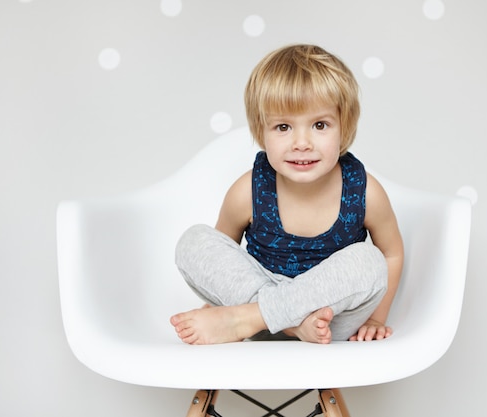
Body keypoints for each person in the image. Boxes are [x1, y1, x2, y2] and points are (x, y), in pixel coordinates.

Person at [170, 44, 404, 345]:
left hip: (331, 319)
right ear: (260, 130)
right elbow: (222, 252)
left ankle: (246, 319)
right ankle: (277, 322)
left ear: (344, 127)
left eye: (320, 125)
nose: (302, 142)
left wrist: (375, 319)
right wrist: (222, 299)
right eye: (283, 127)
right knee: (194, 241)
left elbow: (391, 254)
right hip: (260, 301)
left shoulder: (364, 192)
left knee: (370, 261)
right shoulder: (247, 191)